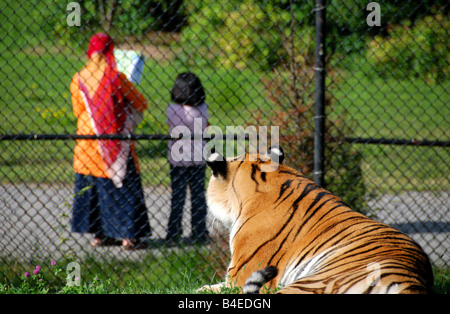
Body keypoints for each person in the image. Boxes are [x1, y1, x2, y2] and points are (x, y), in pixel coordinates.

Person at [70, 33, 151, 250]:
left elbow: (78, 110)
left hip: (87, 148)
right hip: (115, 148)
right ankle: (129, 237)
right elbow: (140, 103)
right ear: (110, 51)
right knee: (125, 190)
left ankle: (99, 235)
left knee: (94, 192)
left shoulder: (78, 79)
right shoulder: (116, 78)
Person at [166, 72, 209, 245]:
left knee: (178, 197)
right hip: (198, 156)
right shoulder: (203, 108)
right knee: (198, 196)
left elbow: (171, 125)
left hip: (178, 158)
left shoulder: (172, 109)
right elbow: (206, 126)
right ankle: (199, 233)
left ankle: (173, 234)